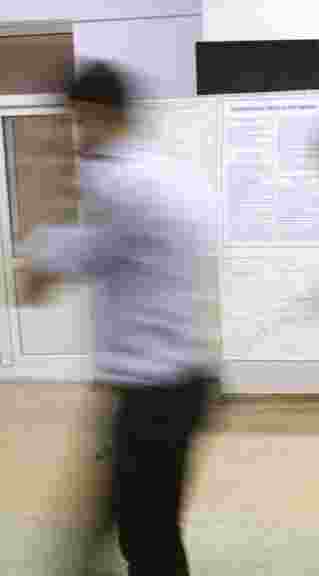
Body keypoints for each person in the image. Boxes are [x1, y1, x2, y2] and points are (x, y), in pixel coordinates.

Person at [21, 61, 220, 576]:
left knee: (145, 534)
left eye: (73, 121)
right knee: (146, 523)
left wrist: (52, 218)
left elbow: (39, 284)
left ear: (93, 113)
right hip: (189, 379)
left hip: (149, 393)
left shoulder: (113, 181)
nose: (71, 136)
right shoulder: (173, 175)